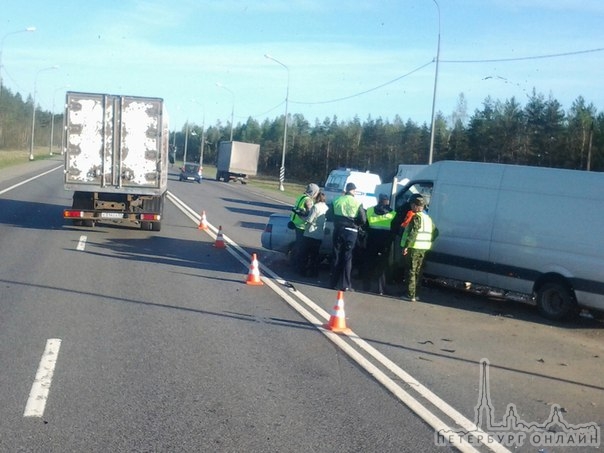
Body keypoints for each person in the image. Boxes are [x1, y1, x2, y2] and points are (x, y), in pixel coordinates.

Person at [329, 182, 367, 291]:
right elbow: (363, 219)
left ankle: (333, 283)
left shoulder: (337, 200)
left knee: (336, 255)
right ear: (353, 191)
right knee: (347, 257)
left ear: (346, 189)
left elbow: (329, 215)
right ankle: (346, 285)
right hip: (351, 231)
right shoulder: (357, 202)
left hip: (338, 230)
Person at [400, 197, 439, 302]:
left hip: (414, 248)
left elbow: (413, 233)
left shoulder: (417, 217)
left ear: (416, 206)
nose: (411, 207)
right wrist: (428, 240)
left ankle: (410, 295)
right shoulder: (428, 218)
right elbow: (436, 232)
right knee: (418, 271)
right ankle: (416, 294)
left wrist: (406, 246)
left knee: (411, 271)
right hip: (423, 248)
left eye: (412, 205)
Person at [362, 193, 396, 295]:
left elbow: (365, 225)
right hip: (385, 242)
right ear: (387, 201)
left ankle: (366, 286)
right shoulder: (393, 213)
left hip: (372, 240)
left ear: (378, 200)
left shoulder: (370, 210)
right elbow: (395, 229)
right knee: (382, 266)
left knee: (369, 264)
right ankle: (381, 289)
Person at [297, 192, 329, 278]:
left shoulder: (316, 207)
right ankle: (314, 273)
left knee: (306, 254)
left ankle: (302, 271)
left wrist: (301, 216)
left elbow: (310, 220)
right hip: (320, 233)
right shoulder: (326, 207)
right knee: (315, 255)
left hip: (311, 233)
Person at [290, 183, 320, 267]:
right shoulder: (308, 200)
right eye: (316, 192)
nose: (317, 194)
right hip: (302, 226)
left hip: (296, 223)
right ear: (313, 192)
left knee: (298, 246)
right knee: (301, 248)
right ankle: (298, 265)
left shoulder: (301, 197)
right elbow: (310, 214)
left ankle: (295, 262)